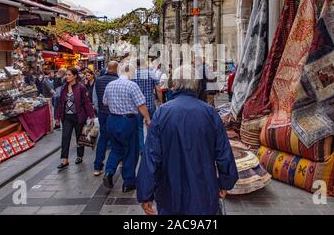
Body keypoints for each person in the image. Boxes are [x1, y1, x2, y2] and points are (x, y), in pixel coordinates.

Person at [136, 65, 239, 215]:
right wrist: (225, 182)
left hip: (170, 190)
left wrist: (146, 193)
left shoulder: (162, 113)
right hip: (204, 189)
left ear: (174, 84)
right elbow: (223, 152)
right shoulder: (209, 113)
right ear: (196, 85)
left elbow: (151, 156)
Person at [102, 64, 152, 193]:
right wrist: (147, 118)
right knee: (130, 151)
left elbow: (104, 102)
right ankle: (128, 182)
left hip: (112, 120)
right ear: (129, 72)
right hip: (127, 121)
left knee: (116, 149)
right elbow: (141, 104)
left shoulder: (110, 85)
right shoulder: (132, 85)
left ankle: (108, 172)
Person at [55, 67, 95, 171]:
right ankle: (64, 160)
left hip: (78, 116)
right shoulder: (64, 87)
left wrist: (91, 115)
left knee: (79, 138)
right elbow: (60, 103)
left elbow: (86, 102)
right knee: (65, 137)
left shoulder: (81, 87)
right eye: (66, 75)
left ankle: (79, 156)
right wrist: (57, 117)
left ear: (75, 76)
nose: (67, 76)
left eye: (69, 75)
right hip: (66, 117)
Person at [92, 61, 119, 176]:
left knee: (103, 139)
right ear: (117, 69)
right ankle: (118, 162)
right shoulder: (118, 81)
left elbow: (95, 99)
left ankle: (97, 166)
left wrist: (99, 111)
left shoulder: (98, 80)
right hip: (114, 114)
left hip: (102, 113)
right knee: (116, 139)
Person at [132, 59, 161, 154]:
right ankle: (151, 146)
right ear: (145, 64)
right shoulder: (151, 73)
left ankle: (142, 149)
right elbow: (158, 89)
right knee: (151, 125)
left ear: (137, 65)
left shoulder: (133, 74)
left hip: (137, 105)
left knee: (139, 127)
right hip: (150, 104)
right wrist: (160, 101)